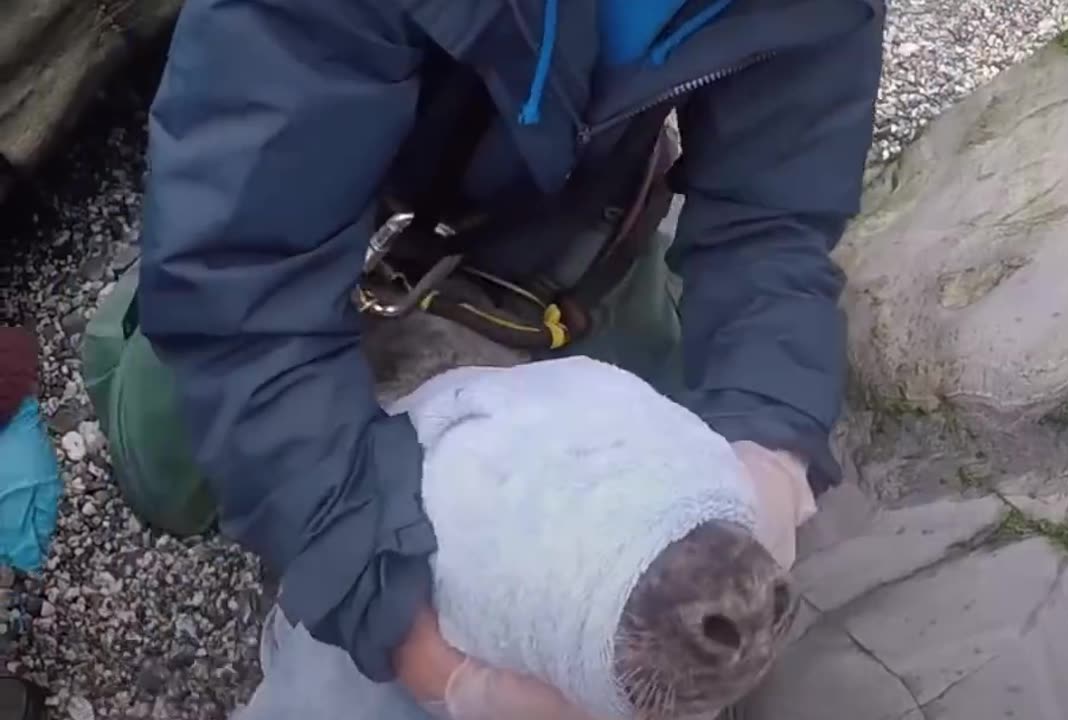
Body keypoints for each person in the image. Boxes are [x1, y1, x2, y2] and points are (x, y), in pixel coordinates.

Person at [135, 0, 886, 716]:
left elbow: (771, 224)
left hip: (569, 234)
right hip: (328, 238)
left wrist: (770, 444)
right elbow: (244, 282)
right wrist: (414, 646)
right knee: (182, 463)